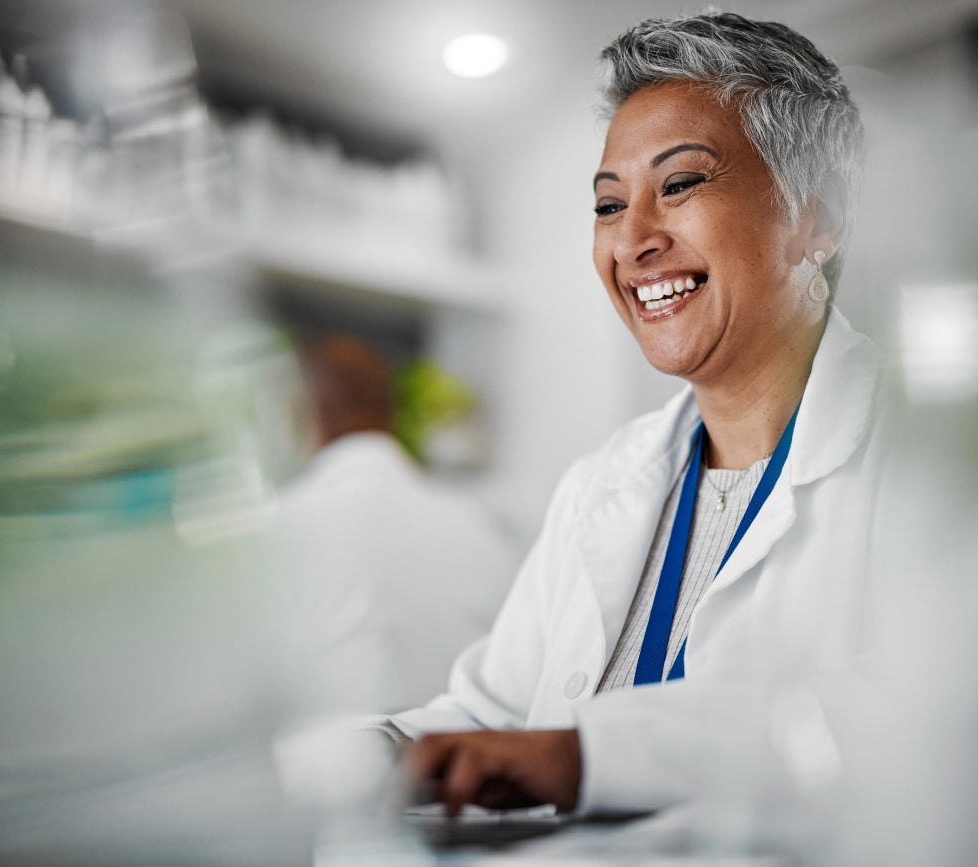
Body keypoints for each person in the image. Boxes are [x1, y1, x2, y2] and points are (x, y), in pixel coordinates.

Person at [309, 10, 882, 819]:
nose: (634, 240)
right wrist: (380, 747)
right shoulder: (604, 482)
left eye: (679, 185)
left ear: (813, 221)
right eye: (609, 205)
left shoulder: (921, 455)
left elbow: (913, 728)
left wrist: (588, 756)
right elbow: (491, 717)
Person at [276, 335, 517, 716]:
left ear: (304, 409)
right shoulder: (479, 523)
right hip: (469, 759)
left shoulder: (283, 524)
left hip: (336, 765)